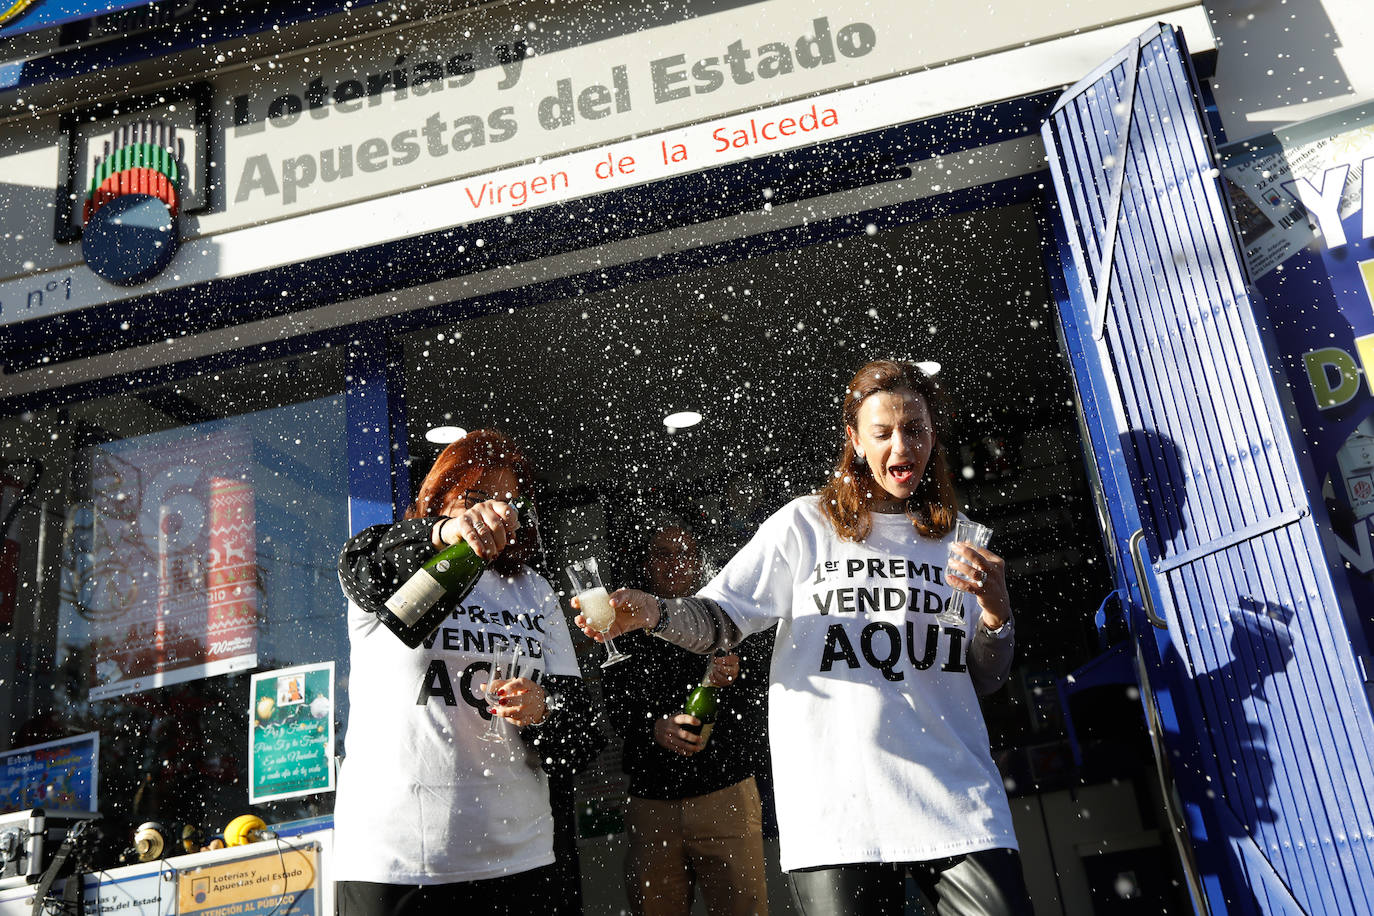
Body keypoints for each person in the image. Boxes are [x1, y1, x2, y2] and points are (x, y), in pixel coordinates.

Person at [578, 360, 1033, 916]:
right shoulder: (805, 526)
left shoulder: (962, 541)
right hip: (838, 809)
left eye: (914, 429)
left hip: (959, 800)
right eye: (883, 432)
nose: (901, 447)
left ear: (933, 433)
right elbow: (722, 619)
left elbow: (984, 677)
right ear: (854, 439)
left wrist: (996, 612)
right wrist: (654, 612)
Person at [335, 429, 604, 916]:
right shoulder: (398, 573)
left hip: (520, 857)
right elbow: (359, 558)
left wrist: (546, 709)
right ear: (439, 499)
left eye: (507, 503)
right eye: (475, 499)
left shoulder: (533, 590)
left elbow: (582, 735)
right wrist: (444, 534)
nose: (492, 514)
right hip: (398, 861)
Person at [604, 524, 772, 916]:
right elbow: (615, 706)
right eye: (663, 554)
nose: (675, 564)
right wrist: (652, 727)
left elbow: (766, 699)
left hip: (726, 792)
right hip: (652, 799)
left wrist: (738, 673)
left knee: (743, 908)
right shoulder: (624, 621)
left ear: (699, 562)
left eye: (685, 553)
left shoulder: (725, 616)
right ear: (646, 563)